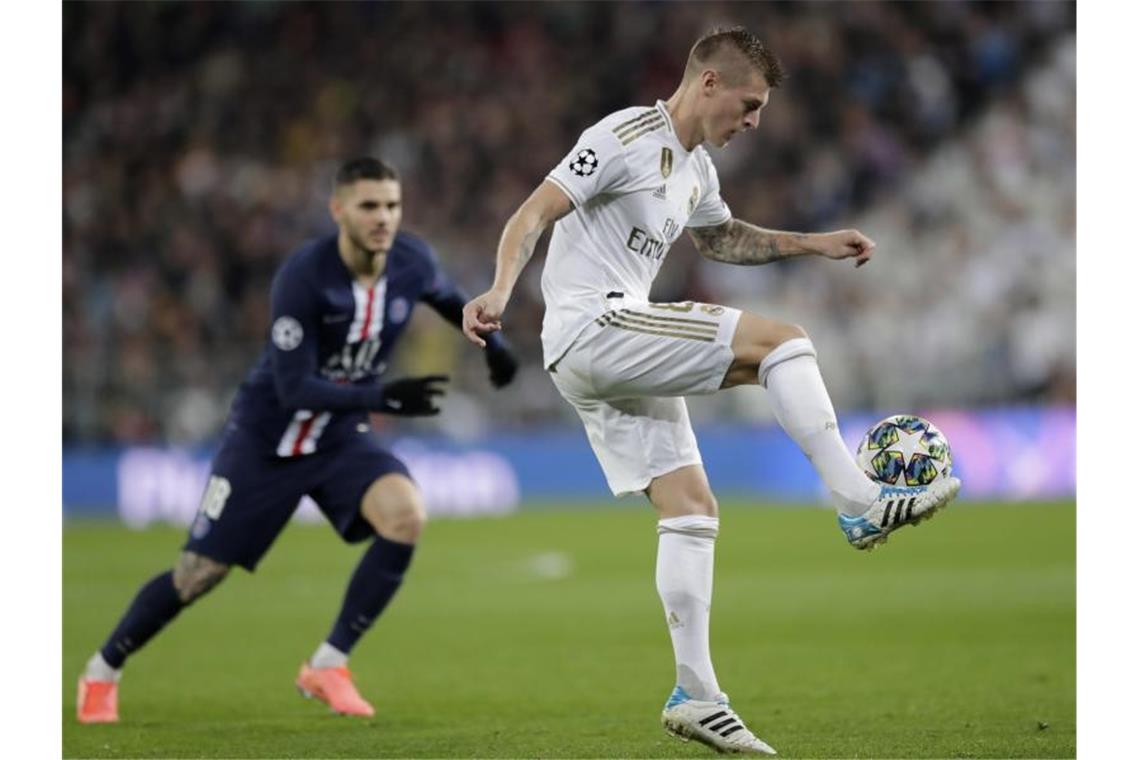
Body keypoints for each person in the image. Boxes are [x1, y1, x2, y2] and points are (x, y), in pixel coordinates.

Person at [462, 27, 960, 755]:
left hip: (608, 343)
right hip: (594, 325)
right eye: (749, 104)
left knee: (691, 508)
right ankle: (859, 502)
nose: (754, 121)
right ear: (708, 85)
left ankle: (696, 693)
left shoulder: (696, 171)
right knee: (782, 342)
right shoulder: (626, 134)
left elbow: (722, 239)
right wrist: (502, 288)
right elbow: (534, 211)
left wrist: (812, 242)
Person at [77, 157, 519, 723]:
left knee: (405, 515)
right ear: (338, 210)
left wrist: (499, 352)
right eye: (368, 206)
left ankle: (328, 664)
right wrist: (383, 397)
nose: (382, 217)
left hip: (338, 438)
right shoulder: (304, 277)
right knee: (197, 574)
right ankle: (103, 670)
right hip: (265, 441)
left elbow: (446, 294)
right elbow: (293, 387)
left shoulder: (411, 260)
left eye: (391, 205)